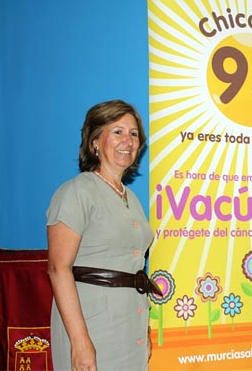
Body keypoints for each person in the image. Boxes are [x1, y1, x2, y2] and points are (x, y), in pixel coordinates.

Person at [46, 100, 160, 371]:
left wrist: (142, 329)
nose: (128, 141)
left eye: (134, 134)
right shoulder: (76, 192)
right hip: (92, 324)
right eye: (118, 131)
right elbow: (57, 269)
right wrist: (80, 341)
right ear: (95, 141)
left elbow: (131, 267)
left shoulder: (131, 198)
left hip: (129, 325)